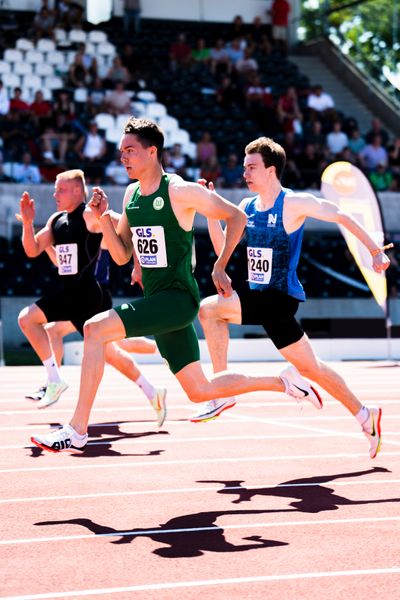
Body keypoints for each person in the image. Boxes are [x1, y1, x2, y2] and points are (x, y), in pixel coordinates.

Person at [30, 118, 326, 454]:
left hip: (178, 299)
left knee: (94, 329)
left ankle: (77, 429)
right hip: (158, 301)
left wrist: (219, 265)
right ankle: (282, 382)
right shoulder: (131, 194)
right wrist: (103, 221)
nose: (123, 157)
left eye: (130, 150)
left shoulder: (180, 190)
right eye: (121, 151)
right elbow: (124, 255)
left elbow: (237, 217)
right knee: (200, 391)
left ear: (152, 151)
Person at [196, 136, 390, 459]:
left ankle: (220, 392)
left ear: (271, 170)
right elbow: (222, 252)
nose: (244, 173)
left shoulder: (293, 203)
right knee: (314, 369)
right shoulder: (246, 208)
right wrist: (211, 212)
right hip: (262, 300)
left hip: (280, 297)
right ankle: (366, 415)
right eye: (244, 167)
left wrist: (373, 250)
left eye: (251, 167)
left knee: (208, 311)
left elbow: (339, 214)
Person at [17, 168, 167, 426]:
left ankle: (59, 387)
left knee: (110, 351)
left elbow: (125, 224)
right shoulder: (56, 220)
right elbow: (32, 250)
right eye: (55, 189)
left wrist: (139, 262)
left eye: (61, 189)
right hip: (69, 294)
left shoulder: (88, 214)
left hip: (88, 295)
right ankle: (56, 380)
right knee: (30, 320)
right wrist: (29, 224)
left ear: (78, 190)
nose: (55, 194)